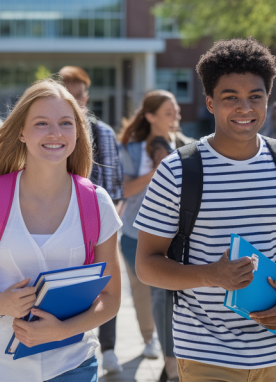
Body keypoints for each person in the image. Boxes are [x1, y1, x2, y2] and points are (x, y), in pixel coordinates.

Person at [135, 38, 276, 382]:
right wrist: (210, 274)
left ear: (267, 100)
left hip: (274, 348)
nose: (245, 107)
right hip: (203, 349)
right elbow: (146, 265)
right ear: (210, 103)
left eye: (255, 97)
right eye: (231, 98)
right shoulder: (178, 169)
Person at [0, 80, 123, 382]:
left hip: (73, 365)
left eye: (65, 123)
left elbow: (111, 297)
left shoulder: (97, 203)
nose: (55, 133)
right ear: (21, 132)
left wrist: (62, 330)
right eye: (42, 123)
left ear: (78, 131)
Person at [117, 89, 188, 381]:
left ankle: (173, 362)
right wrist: (159, 170)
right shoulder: (131, 149)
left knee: (171, 296)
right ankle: (166, 357)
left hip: (178, 237)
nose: (176, 118)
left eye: (177, 113)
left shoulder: (185, 146)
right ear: (150, 116)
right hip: (136, 235)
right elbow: (125, 190)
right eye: (169, 113)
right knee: (153, 293)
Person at [59, 65, 125, 374]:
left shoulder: (103, 133)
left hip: (96, 224)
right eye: (66, 94)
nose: (73, 101)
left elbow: (113, 184)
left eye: (78, 95)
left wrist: (107, 223)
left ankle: (108, 348)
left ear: (86, 98)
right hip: (59, 224)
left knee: (105, 286)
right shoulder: (52, 132)